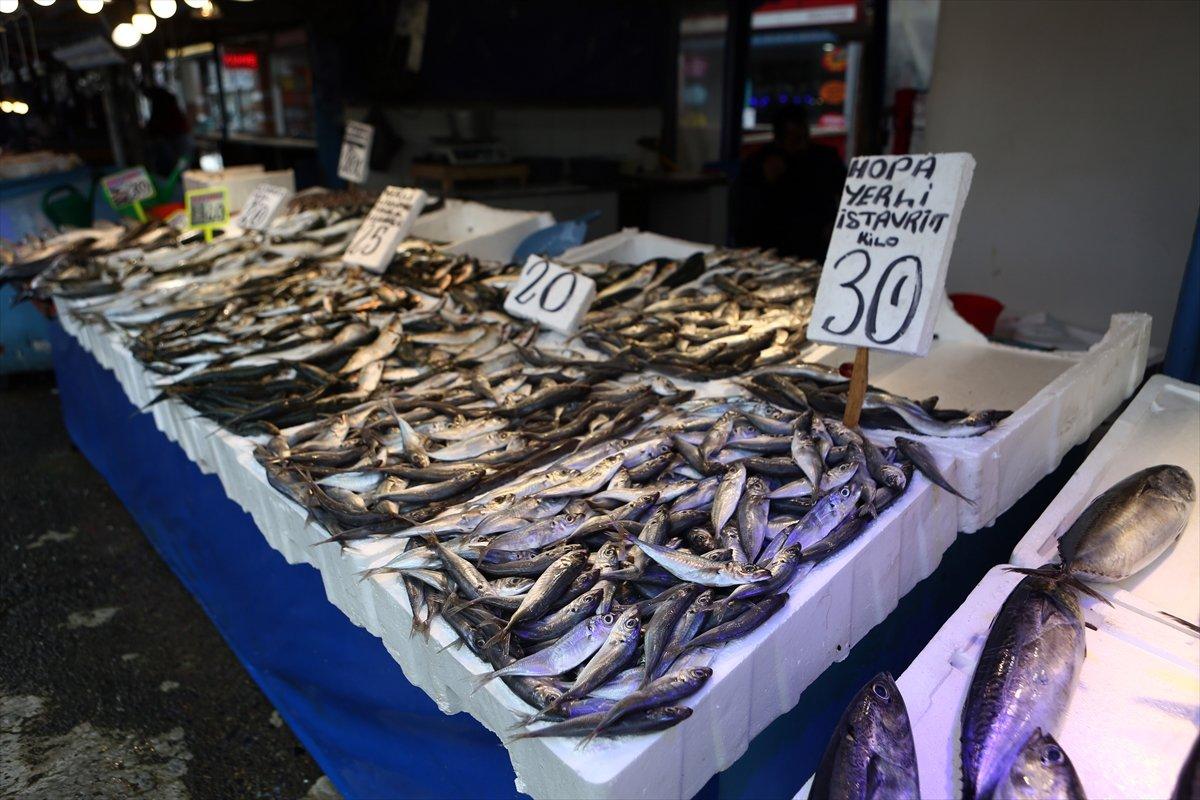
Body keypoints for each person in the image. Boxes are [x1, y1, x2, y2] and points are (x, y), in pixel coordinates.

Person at [732, 104, 846, 260]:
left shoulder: (825, 159)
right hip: (773, 250)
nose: (801, 145)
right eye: (794, 138)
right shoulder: (759, 163)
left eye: (804, 136)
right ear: (779, 138)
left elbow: (849, 195)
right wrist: (766, 182)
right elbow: (743, 216)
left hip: (818, 247)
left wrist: (837, 224)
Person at [142, 85, 193, 177]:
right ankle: (182, 179)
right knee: (181, 165)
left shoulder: (161, 101)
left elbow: (157, 121)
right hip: (178, 135)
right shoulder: (165, 100)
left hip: (178, 135)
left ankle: (182, 181)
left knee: (181, 165)